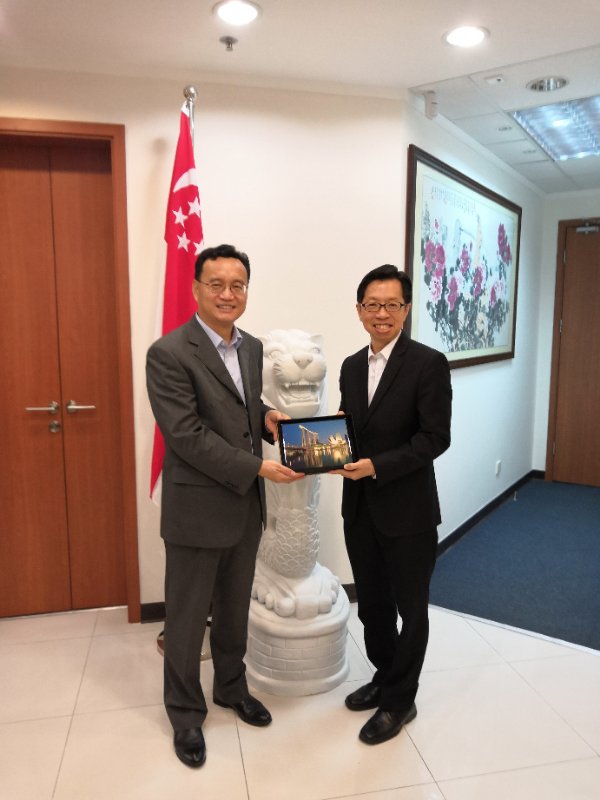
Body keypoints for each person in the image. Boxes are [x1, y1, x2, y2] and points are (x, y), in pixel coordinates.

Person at [146, 243, 303, 768]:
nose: (227, 294)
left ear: (246, 291)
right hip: (196, 510)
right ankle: (186, 715)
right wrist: (258, 465)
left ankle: (231, 689)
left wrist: (268, 420)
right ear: (197, 289)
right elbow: (187, 434)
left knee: (235, 610)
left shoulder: (252, 347)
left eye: (238, 285)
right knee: (189, 619)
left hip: (242, 508)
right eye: (217, 284)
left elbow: (241, 406)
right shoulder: (169, 353)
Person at [330, 264, 452, 746]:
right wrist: (334, 437)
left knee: (411, 607)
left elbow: (434, 438)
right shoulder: (350, 366)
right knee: (373, 607)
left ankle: (401, 699)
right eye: (372, 305)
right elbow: (352, 428)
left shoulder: (428, 363)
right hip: (359, 507)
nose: (382, 314)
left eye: (392, 305)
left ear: (405, 309)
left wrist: (376, 465)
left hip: (408, 511)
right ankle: (385, 675)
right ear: (359, 310)